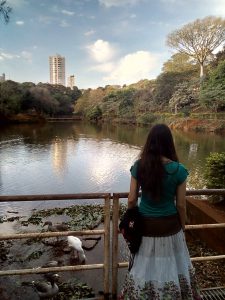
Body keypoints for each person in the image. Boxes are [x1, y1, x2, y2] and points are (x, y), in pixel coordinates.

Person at [119, 123, 202, 300]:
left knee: (144, 264)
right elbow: (180, 204)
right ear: (169, 143)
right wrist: (183, 225)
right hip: (170, 226)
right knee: (172, 264)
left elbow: (132, 199)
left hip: (145, 226)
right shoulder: (179, 170)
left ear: (149, 142)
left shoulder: (139, 166)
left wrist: (131, 218)